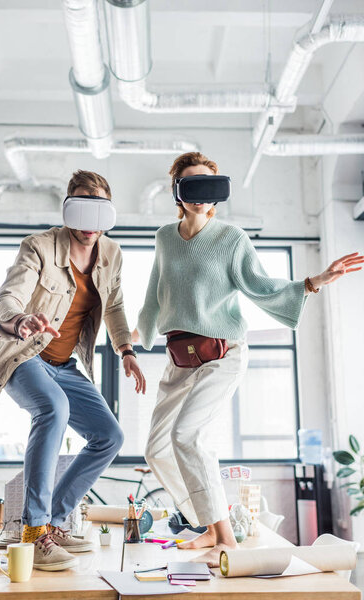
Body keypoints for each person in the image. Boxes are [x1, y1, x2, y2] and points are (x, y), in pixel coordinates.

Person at [135, 151, 363, 567]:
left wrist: (314, 282)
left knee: (188, 437)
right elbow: (154, 297)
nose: (201, 197)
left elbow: (260, 286)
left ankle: (226, 539)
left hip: (222, 353)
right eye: (191, 186)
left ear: (218, 193)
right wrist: (127, 342)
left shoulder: (230, 238)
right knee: (155, 449)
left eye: (209, 186)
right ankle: (207, 523)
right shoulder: (165, 238)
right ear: (177, 192)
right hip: (179, 357)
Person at [0, 170, 146, 571]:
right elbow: (8, 297)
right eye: (82, 211)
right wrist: (20, 320)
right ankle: (34, 532)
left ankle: (55, 524)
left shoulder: (112, 254)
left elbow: (114, 306)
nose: (89, 227)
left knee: (109, 436)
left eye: (99, 214)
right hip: (23, 355)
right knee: (53, 408)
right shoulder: (38, 247)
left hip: (64, 364)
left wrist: (125, 348)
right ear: (68, 208)